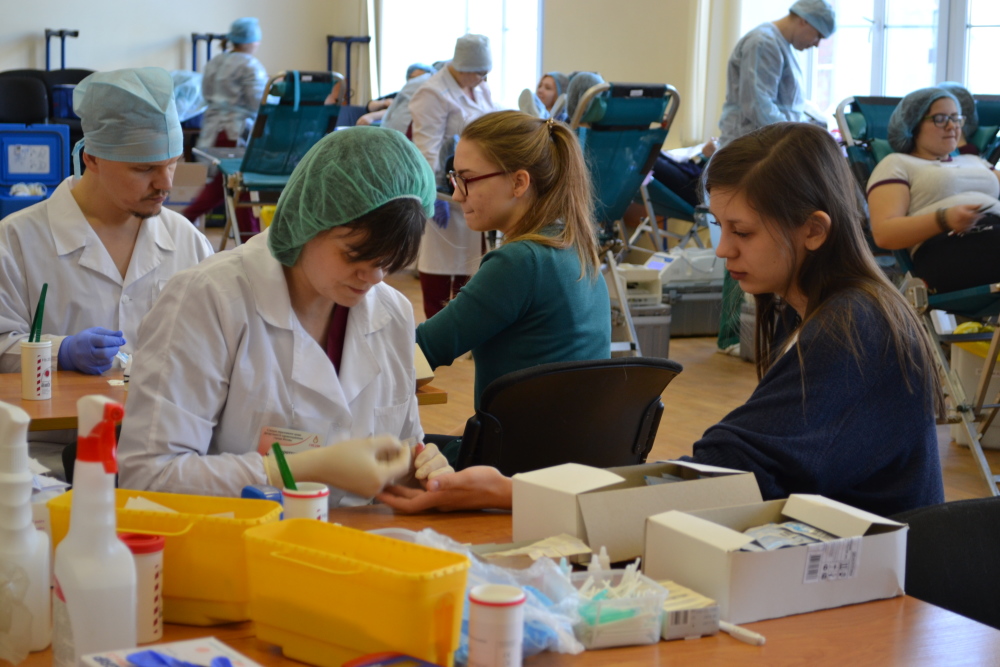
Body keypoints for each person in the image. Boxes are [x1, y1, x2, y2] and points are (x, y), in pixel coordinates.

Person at [380, 122, 946, 518]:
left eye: (742, 231)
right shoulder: (850, 311)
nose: (723, 250)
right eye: (721, 227)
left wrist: (516, 493)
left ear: (814, 231)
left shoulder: (850, 329)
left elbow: (720, 477)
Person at [118, 127, 451, 502]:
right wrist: (295, 470)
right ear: (310, 221)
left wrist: (419, 472)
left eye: (388, 262)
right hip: (240, 533)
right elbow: (148, 475)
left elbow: (402, 449)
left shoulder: (392, 312)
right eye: (354, 255)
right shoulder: (208, 299)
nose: (374, 278)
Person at [0, 67, 215, 478]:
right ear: (92, 158)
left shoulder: (187, 242)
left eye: (172, 163)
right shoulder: (17, 241)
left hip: (162, 456)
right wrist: (59, 351)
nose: (165, 184)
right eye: (144, 169)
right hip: (45, 458)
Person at [416, 111, 611, 457]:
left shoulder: (521, 261)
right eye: (454, 178)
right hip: (569, 455)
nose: (457, 196)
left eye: (467, 179)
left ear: (519, 182)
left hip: (518, 462)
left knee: (379, 459)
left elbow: (423, 350)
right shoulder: (576, 249)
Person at [867, 86, 1000, 294]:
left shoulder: (974, 160)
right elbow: (884, 234)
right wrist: (944, 219)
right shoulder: (896, 163)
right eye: (940, 119)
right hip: (948, 247)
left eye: (955, 118)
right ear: (913, 125)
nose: (952, 126)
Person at [409, 34, 501, 318]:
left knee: (471, 265)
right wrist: (430, 195)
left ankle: (465, 329)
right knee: (439, 262)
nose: (483, 79)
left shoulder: (479, 87)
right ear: (464, 67)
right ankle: (436, 329)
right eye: (480, 73)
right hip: (445, 193)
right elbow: (426, 149)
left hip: (477, 188)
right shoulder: (432, 93)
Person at [182, 17, 268, 241]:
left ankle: (248, 238)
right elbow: (259, 102)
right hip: (234, 132)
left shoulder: (215, 62)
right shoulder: (250, 65)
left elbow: (205, 94)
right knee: (237, 184)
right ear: (251, 41)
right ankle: (185, 220)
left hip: (213, 130)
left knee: (230, 185)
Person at [717, 0, 835, 148]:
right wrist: (793, 137)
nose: (817, 44)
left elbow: (787, 103)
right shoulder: (764, 43)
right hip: (752, 146)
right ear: (804, 21)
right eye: (818, 36)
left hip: (767, 143)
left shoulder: (781, 45)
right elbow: (758, 105)